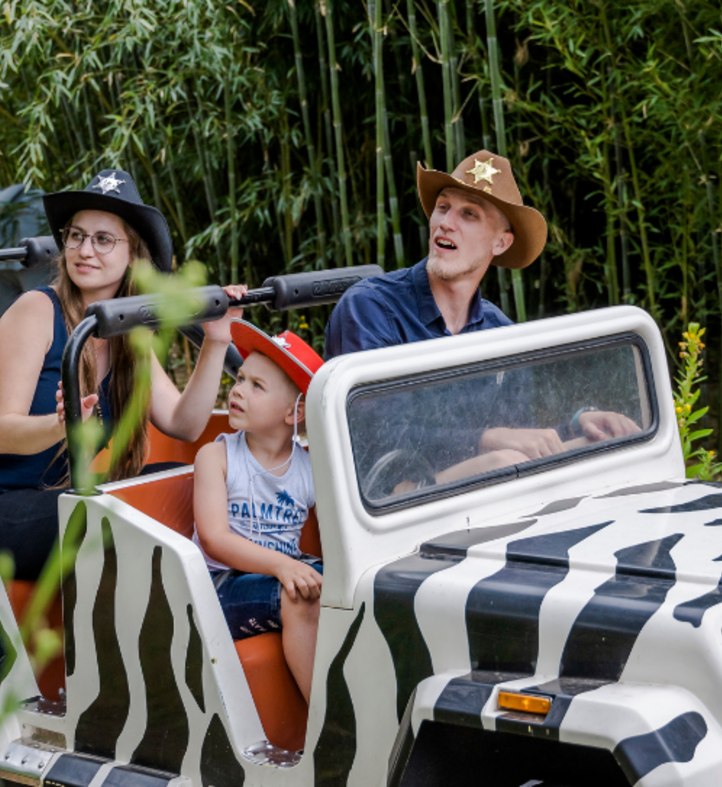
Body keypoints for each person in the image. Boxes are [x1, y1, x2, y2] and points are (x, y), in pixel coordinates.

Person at [0, 169, 243, 581]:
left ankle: (226, 603)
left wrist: (216, 341)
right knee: (102, 513)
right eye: (76, 235)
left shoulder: (126, 331)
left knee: (193, 485)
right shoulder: (36, 310)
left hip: (59, 496)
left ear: (133, 254)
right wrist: (62, 425)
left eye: (103, 239)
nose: (85, 250)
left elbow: (184, 425)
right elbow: (4, 432)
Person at [325, 150, 640, 485]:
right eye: (443, 207)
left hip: (482, 503)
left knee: (597, 449)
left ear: (501, 243)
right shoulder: (370, 308)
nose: (446, 222)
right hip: (385, 508)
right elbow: (371, 435)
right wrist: (486, 438)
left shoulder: (500, 333)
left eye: (469, 214)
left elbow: (520, 437)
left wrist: (580, 423)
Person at [192, 323, 324, 699]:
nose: (237, 390)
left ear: (292, 413)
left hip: (281, 574)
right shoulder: (216, 457)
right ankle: (327, 722)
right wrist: (283, 566)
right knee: (298, 593)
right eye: (241, 379)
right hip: (219, 587)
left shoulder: (310, 468)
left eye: (256, 386)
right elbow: (216, 539)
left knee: (350, 585)